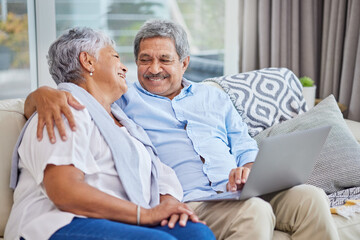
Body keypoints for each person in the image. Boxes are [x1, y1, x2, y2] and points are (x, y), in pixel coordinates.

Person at [24, 20, 340, 240]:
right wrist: (41, 94)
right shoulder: (125, 97)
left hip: (241, 189)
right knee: (254, 212)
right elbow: (80, 95)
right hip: (192, 200)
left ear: (184, 63)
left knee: (311, 196)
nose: (154, 68)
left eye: (165, 59)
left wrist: (248, 167)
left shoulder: (213, 96)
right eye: (144, 60)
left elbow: (243, 143)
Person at [5, 27, 215, 240]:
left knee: (198, 234)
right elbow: (63, 191)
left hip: (121, 221)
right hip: (57, 223)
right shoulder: (64, 110)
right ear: (87, 61)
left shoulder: (124, 123)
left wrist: (169, 203)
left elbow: (160, 175)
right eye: (115, 56)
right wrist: (145, 214)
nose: (124, 67)